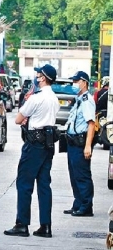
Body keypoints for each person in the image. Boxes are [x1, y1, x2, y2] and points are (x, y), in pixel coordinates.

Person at [4, 64, 60, 239]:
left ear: (43, 78)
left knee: (24, 183)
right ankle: (45, 226)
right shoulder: (55, 99)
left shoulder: (36, 98)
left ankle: (22, 224)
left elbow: (18, 119)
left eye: (38, 73)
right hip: (48, 144)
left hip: (34, 143)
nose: (36, 75)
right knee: (44, 185)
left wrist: (28, 118)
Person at [64, 70, 96, 217]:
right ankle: (78, 203)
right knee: (74, 175)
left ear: (84, 82)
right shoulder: (78, 99)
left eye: (76, 81)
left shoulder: (87, 100)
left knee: (82, 175)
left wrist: (88, 146)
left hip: (81, 143)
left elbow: (91, 124)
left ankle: (86, 206)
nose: (74, 84)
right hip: (72, 142)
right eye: (73, 81)